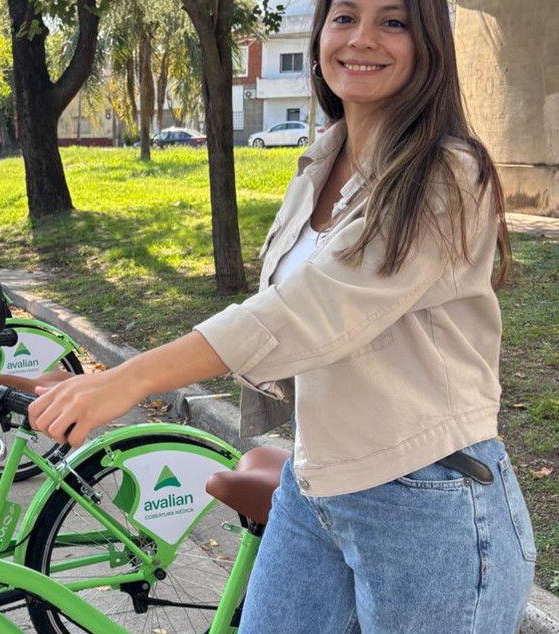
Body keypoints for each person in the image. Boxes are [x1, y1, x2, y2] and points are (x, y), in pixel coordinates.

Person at [28, 0, 536, 631]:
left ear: (429, 43)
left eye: (394, 22)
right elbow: (280, 308)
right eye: (344, 17)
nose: (362, 40)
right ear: (321, 33)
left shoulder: (447, 175)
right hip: (316, 478)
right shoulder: (321, 161)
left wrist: (127, 379)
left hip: (427, 494)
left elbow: (309, 312)